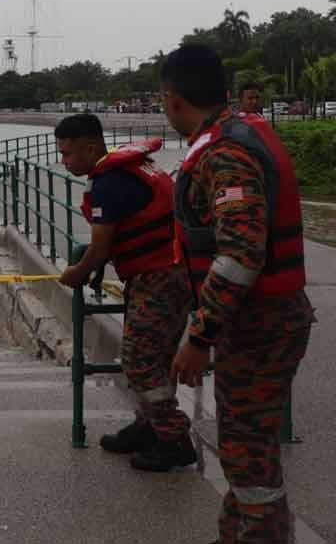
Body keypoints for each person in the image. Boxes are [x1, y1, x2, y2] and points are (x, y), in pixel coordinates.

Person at [162, 44, 313, 543]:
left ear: (172, 98)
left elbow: (242, 253)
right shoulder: (236, 135)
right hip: (258, 320)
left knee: (248, 450)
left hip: (260, 325)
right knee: (244, 441)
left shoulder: (225, 153)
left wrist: (199, 336)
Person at [56, 114, 196, 471]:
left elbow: (100, 247)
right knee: (155, 358)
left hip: (159, 278)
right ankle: (148, 427)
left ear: (91, 149)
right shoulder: (129, 169)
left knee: (139, 360)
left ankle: (173, 437)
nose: (63, 161)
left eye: (67, 154)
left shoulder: (109, 183)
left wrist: (76, 273)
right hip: (168, 273)